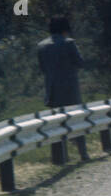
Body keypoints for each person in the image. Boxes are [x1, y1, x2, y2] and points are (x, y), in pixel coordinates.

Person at [38, 15, 88, 162]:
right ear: (65, 29)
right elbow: (80, 63)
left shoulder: (41, 46)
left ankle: (60, 158)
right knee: (77, 122)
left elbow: (42, 68)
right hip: (70, 89)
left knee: (56, 125)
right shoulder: (69, 43)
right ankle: (83, 154)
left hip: (52, 91)